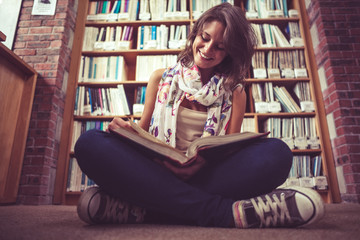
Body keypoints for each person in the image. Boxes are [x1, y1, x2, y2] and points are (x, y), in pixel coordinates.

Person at [75, 3, 324, 228]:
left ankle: (145, 209)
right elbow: (143, 131)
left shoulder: (236, 93)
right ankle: (221, 212)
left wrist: (201, 163)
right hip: (155, 171)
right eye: (204, 39)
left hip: (205, 175)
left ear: (229, 53)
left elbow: (227, 147)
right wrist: (126, 133)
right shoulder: (160, 78)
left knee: (277, 153)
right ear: (195, 35)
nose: (207, 50)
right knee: (90, 143)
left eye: (219, 47)